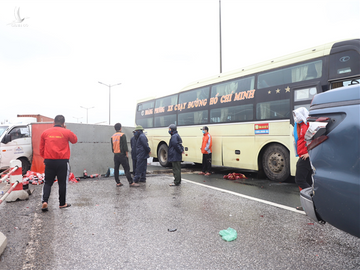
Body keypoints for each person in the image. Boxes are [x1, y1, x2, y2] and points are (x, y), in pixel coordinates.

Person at [40, 115, 78, 212]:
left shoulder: (45, 133)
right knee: (62, 183)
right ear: (63, 123)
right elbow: (74, 140)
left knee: (48, 182)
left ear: (54, 122)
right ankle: (62, 203)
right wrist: (66, 129)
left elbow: (41, 149)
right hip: (62, 162)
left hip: (49, 161)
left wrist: (46, 157)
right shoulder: (66, 132)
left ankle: (45, 201)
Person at [293, 107, 312, 211]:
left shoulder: (308, 124)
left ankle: (311, 201)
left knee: (300, 179)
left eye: (296, 115)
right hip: (302, 155)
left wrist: (309, 153)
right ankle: (308, 205)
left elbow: (316, 138)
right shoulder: (299, 125)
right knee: (307, 180)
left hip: (306, 156)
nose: (295, 117)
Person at [111, 123, 139, 187]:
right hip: (122, 155)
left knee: (116, 169)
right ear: (120, 128)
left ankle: (118, 182)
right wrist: (126, 154)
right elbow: (125, 146)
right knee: (126, 169)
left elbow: (112, 147)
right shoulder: (122, 135)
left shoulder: (112, 136)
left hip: (116, 155)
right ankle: (131, 182)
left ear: (115, 129)